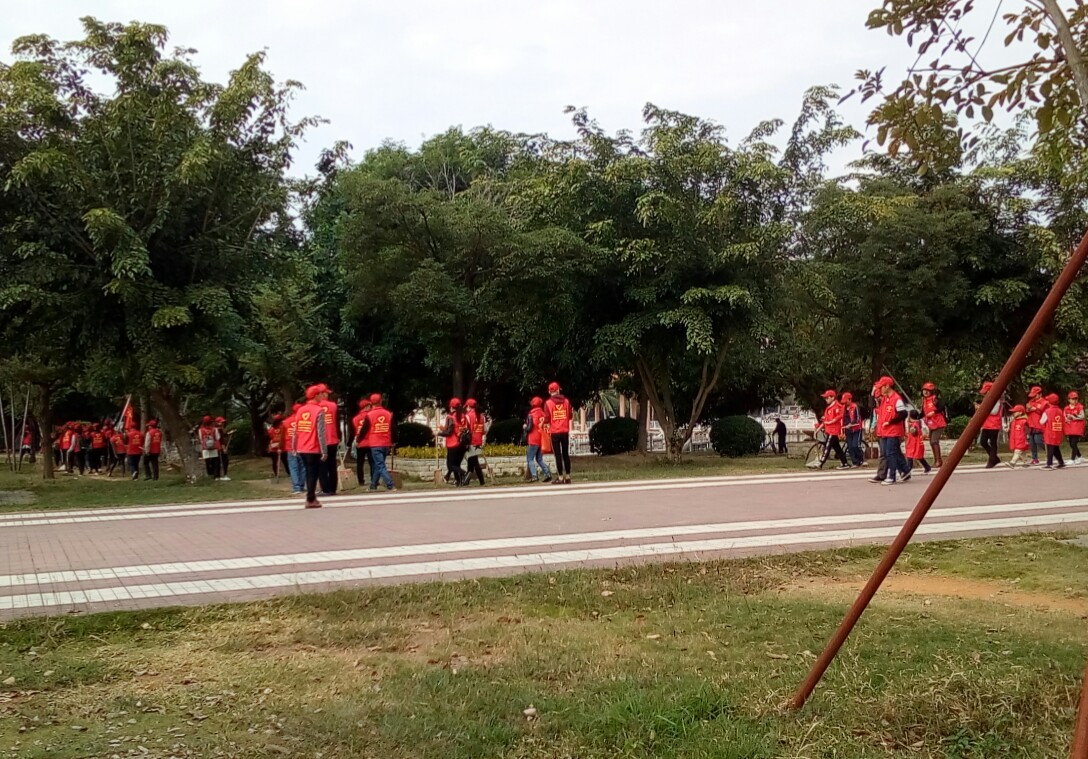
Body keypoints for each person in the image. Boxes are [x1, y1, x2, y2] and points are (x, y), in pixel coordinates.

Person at [293, 385, 329, 508]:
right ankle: (310, 499)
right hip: (313, 447)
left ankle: (312, 497)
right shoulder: (319, 411)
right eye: (320, 394)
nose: (322, 396)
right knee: (313, 473)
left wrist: (294, 446)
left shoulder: (300, 410)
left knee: (309, 472)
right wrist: (324, 450)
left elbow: (296, 430)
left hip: (301, 447)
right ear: (316, 395)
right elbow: (321, 433)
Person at [873, 376, 909, 486]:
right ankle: (905, 470)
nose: (880, 389)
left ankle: (892, 476)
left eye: (881, 387)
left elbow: (903, 414)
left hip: (893, 431)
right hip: (885, 431)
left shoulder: (897, 399)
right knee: (893, 452)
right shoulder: (885, 398)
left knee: (890, 453)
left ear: (887, 386)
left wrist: (890, 422)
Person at [810, 390, 849, 470]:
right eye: (825, 398)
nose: (826, 400)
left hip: (833, 431)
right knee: (837, 448)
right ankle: (845, 463)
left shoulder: (837, 406)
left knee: (827, 446)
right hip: (829, 430)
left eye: (827, 398)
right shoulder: (828, 408)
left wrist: (831, 421)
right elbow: (825, 421)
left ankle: (821, 463)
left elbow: (839, 417)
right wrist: (818, 429)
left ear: (832, 398)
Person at [364, 393, 395, 491]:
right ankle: (373, 485)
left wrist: (358, 439)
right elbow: (393, 428)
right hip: (386, 443)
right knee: (379, 464)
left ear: (371, 403)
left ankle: (390, 485)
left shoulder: (369, 415)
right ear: (381, 401)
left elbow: (364, 429)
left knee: (380, 465)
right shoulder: (388, 414)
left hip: (375, 443)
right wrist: (394, 441)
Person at [544, 382, 573, 485]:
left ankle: (560, 477)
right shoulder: (566, 401)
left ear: (549, 391)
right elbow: (570, 415)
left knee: (558, 455)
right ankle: (568, 477)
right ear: (558, 390)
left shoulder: (548, 403)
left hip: (555, 432)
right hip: (565, 431)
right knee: (565, 454)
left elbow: (547, 418)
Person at [317, 385, 340, 495]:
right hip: (332, 439)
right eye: (326, 393)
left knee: (322, 466)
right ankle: (333, 488)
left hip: (320, 441)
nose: (327, 395)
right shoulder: (333, 406)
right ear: (322, 394)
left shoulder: (315, 406)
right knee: (332, 465)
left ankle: (325, 488)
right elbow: (337, 422)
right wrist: (338, 436)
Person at [524, 397, 553, 482]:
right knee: (539, 459)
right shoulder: (543, 414)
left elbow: (529, 428)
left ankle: (534, 476)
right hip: (541, 439)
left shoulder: (531, 414)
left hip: (533, 439)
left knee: (530, 458)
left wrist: (525, 427)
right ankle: (547, 473)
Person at [441, 398, 467, 486]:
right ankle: (458, 481)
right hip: (461, 443)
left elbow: (449, 432)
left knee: (450, 465)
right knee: (456, 464)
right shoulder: (463, 416)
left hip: (452, 443)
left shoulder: (450, 417)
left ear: (451, 407)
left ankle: (464, 473)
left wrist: (438, 433)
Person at [920, 382, 947, 468]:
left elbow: (942, 406)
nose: (925, 392)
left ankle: (938, 460)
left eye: (927, 390)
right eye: (924, 390)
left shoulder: (935, 399)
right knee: (931, 442)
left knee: (934, 441)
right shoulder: (924, 401)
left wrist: (934, 412)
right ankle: (936, 460)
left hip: (938, 423)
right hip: (931, 424)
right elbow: (923, 412)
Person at [977, 382, 1003, 469]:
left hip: (994, 424)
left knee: (993, 443)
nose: (984, 394)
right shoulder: (987, 399)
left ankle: (992, 460)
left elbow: (994, 412)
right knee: (983, 442)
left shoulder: (996, 400)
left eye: (986, 392)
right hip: (987, 424)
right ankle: (994, 457)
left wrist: (982, 408)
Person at [464, 398, 487, 486]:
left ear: (469, 406)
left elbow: (465, 429)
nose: (466, 409)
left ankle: (481, 481)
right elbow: (484, 430)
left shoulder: (468, 416)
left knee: (474, 461)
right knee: (471, 461)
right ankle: (466, 481)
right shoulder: (482, 417)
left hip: (471, 441)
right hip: (478, 441)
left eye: (467, 407)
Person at [1041, 392, 1066, 470]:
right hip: (1058, 431)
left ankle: (1049, 464)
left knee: (1050, 448)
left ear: (1049, 402)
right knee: (1055, 448)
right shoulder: (1060, 411)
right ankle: (1061, 462)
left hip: (1049, 432)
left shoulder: (1047, 411)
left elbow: (1042, 421)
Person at [285, 403, 305, 494]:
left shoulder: (286, 421)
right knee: (303, 467)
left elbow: (283, 435)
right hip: (302, 447)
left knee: (293, 468)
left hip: (290, 448)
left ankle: (296, 487)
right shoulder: (303, 420)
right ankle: (301, 485)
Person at [353, 398, 373, 489]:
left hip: (360, 442)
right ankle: (373, 479)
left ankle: (361, 480)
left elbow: (355, 430)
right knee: (372, 462)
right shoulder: (371, 416)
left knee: (360, 463)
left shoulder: (355, 418)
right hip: (370, 442)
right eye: (369, 406)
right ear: (366, 406)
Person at [905, 410, 931, 475]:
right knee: (919, 456)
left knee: (910, 456)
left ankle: (908, 470)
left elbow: (913, 433)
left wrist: (906, 433)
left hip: (913, 443)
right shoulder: (919, 423)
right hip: (918, 443)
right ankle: (927, 467)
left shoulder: (914, 425)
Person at [841, 392, 864, 467]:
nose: (845, 403)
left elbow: (857, 418)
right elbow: (841, 419)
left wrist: (850, 424)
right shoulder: (843, 408)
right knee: (850, 447)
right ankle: (855, 462)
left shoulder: (855, 407)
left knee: (855, 445)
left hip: (856, 429)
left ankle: (860, 459)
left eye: (846, 401)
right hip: (847, 430)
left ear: (850, 399)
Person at [1026, 385, 1046, 465]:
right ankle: (1035, 458)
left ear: (1040, 394)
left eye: (1035, 395)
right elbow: (1027, 411)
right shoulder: (1031, 402)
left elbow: (1044, 412)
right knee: (1032, 442)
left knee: (1038, 440)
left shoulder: (1044, 402)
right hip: (1031, 424)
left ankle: (1051, 451)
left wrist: (1035, 409)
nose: (1034, 397)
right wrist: (1028, 408)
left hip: (1039, 425)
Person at [197, 415, 221, 479]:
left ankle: (210, 473)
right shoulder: (214, 429)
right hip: (214, 447)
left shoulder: (200, 430)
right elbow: (217, 438)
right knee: (215, 461)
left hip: (205, 448)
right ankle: (216, 475)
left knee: (207, 461)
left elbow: (200, 439)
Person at [1065, 391, 1085, 465]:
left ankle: (1072, 459)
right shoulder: (1066, 408)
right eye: (1073, 399)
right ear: (1069, 399)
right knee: (1071, 444)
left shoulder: (1079, 407)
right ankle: (1080, 457)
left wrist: (1073, 417)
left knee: (1073, 443)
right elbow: (1064, 416)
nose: (1075, 400)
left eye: (1076, 399)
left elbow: (1082, 416)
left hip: (1077, 428)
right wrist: (1067, 418)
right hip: (1070, 428)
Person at [267, 413, 287, 480]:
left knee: (274, 462)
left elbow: (270, 436)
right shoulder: (283, 427)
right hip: (282, 446)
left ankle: (276, 474)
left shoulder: (271, 428)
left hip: (273, 446)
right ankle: (289, 473)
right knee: (285, 461)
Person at [215, 417, 232, 481]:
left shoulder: (216, 429)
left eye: (222, 422)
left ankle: (217, 476)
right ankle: (224, 475)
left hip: (217, 447)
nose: (222, 423)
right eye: (221, 422)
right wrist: (223, 448)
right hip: (220, 447)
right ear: (217, 422)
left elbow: (224, 435)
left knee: (218, 461)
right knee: (224, 460)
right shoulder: (219, 429)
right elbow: (221, 440)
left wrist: (228, 433)